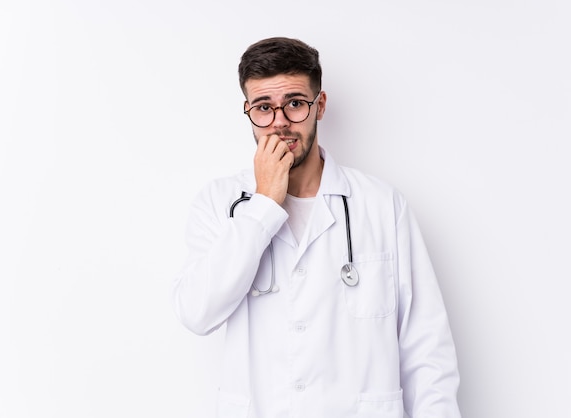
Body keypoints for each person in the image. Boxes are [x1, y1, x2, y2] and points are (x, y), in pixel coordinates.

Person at [173, 37, 461, 418]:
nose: (279, 123)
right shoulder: (220, 203)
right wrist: (263, 206)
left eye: (294, 103)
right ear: (248, 112)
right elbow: (197, 312)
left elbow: (426, 348)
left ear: (319, 106)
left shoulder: (380, 205)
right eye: (263, 107)